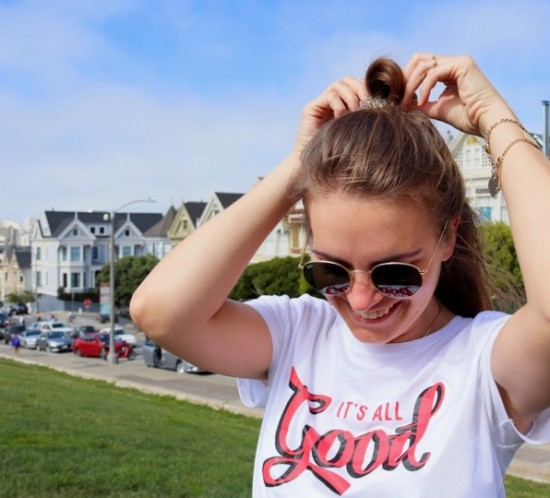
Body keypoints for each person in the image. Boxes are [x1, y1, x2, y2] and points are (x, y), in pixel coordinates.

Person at [130, 53, 550, 496]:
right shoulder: (298, 333)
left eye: (395, 272)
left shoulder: (482, 362)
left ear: (447, 239)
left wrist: (496, 121)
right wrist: (298, 163)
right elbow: (160, 310)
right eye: (331, 271)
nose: (362, 299)